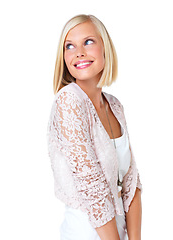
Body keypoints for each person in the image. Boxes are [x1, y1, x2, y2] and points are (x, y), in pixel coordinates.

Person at [47, 14, 142, 240]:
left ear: (105, 48)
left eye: (88, 41)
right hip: (85, 233)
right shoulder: (69, 101)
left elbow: (132, 183)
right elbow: (93, 189)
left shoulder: (115, 105)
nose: (79, 52)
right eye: (69, 46)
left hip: (119, 232)